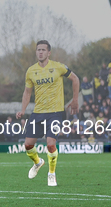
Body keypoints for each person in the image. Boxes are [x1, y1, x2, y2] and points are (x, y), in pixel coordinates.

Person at [16, 40, 79, 187]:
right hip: (38, 113)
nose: (40, 52)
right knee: (28, 145)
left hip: (56, 113)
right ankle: (38, 163)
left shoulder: (58, 67)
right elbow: (27, 92)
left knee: (50, 144)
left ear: (49, 53)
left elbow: (75, 79)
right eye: (38, 50)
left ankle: (51, 173)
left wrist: (75, 100)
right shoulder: (31, 71)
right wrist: (23, 110)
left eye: (43, 50)